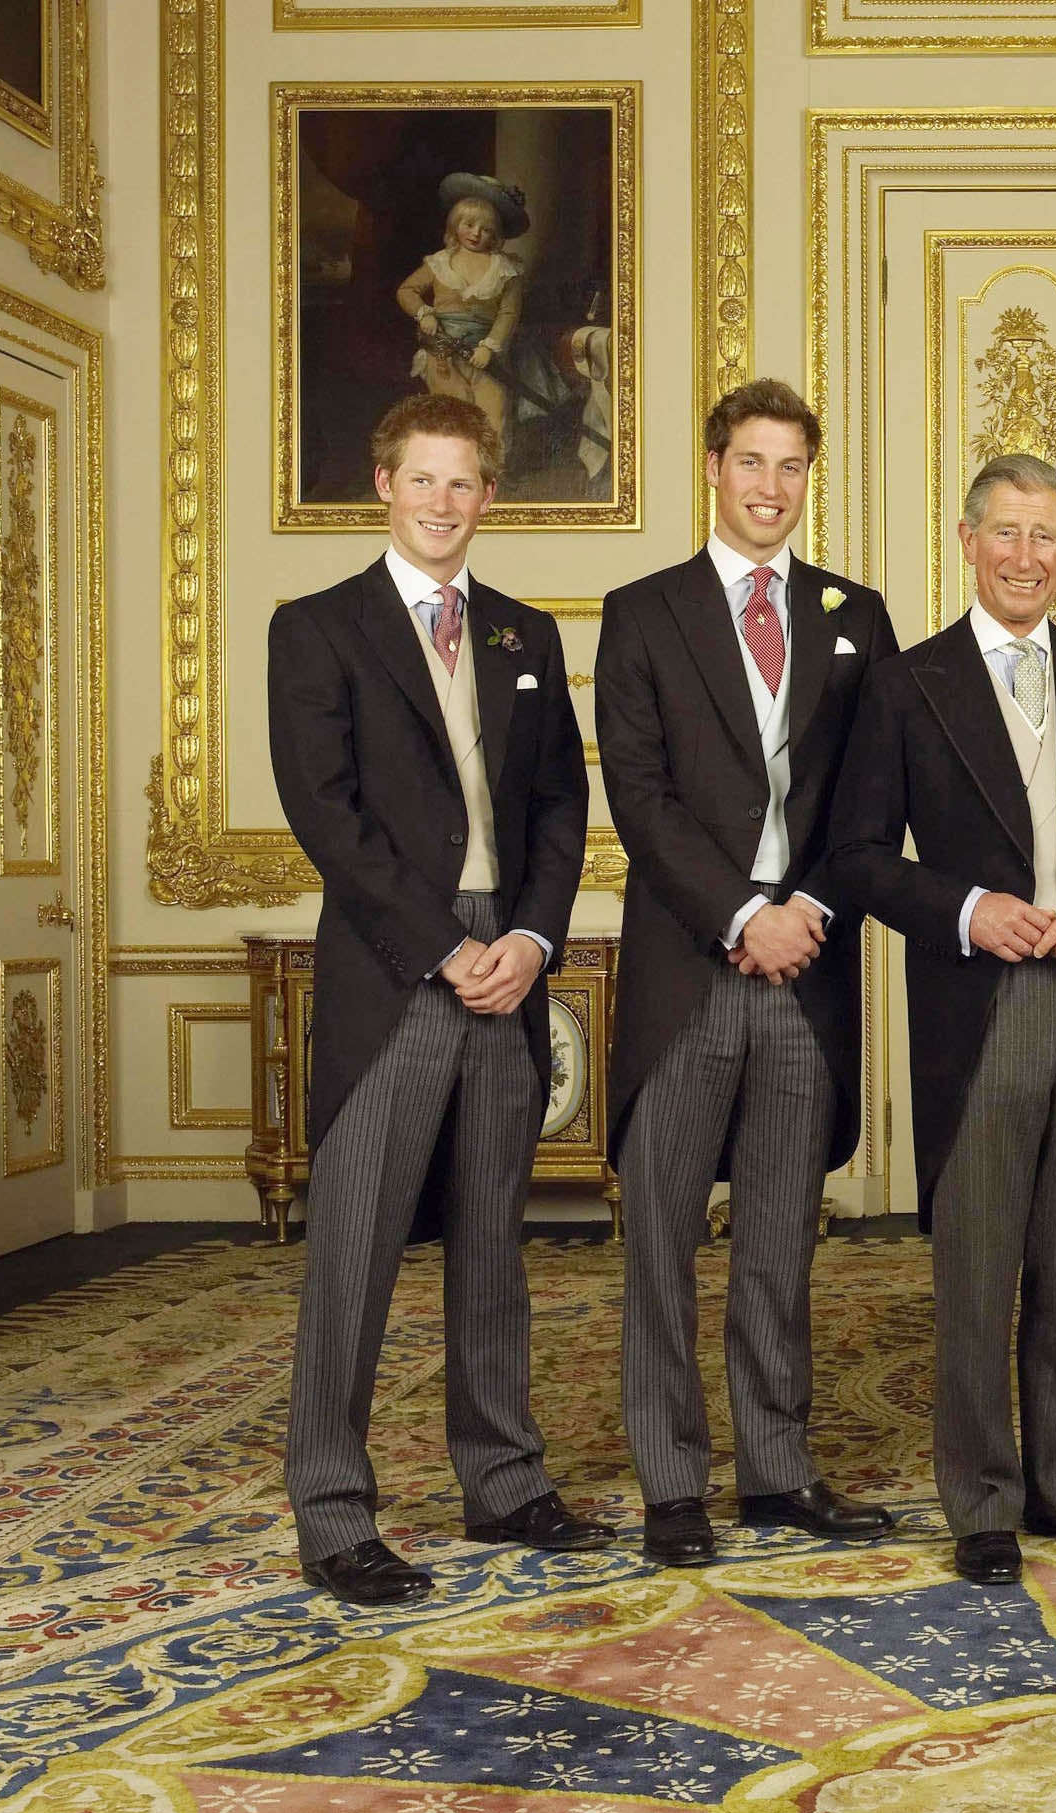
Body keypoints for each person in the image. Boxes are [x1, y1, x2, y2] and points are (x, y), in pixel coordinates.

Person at [828, 453, 1056, 1585]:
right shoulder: (907, 685)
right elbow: (854, 857)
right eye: (1006, 533)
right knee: (978, 1267)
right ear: (966, 539)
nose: (1025, 557)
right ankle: (982, 1500)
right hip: (976, 1005)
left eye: (1047, 537)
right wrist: (967, 908)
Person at [269, 392, 604, 1606]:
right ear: (382, 484)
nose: (443, 504)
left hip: (506, 961)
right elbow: (329, 818)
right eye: (423, 481)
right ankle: (333, 1510)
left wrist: (527, 935)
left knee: (492, 1248)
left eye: (463, 484)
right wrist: (440, 947)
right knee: (352, 1252)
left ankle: (504, 1479)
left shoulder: (523, 634)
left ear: (489, 497)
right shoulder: (317, 630)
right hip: (394, 967)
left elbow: (562, 803)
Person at [594, 380, 898, 1568]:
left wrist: (807, 907)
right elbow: (641, 794)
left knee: (779, 1240)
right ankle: (672, 1483)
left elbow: (868, 793)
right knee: (661, 1239)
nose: (770, 487)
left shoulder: (853, 614)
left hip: (809, 969)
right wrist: (739, 915)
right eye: (752, 462)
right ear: (713, 467)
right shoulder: (645, 610)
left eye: (791, 467)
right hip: (690, 967)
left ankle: (777, 1471)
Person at [395, 175, 527, 457]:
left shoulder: (507, 269)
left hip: (483, 356)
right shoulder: (441, 261)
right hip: (443, 354)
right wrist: (423, 314)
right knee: (456, 409)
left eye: (487, 230)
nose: (477, 234)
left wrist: (490, 346)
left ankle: (489, 474)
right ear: (456, 224)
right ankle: (454, 468)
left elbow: (508, 313)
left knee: (495, 406)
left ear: (498, 234)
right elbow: (406, 291)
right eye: (469, 225)